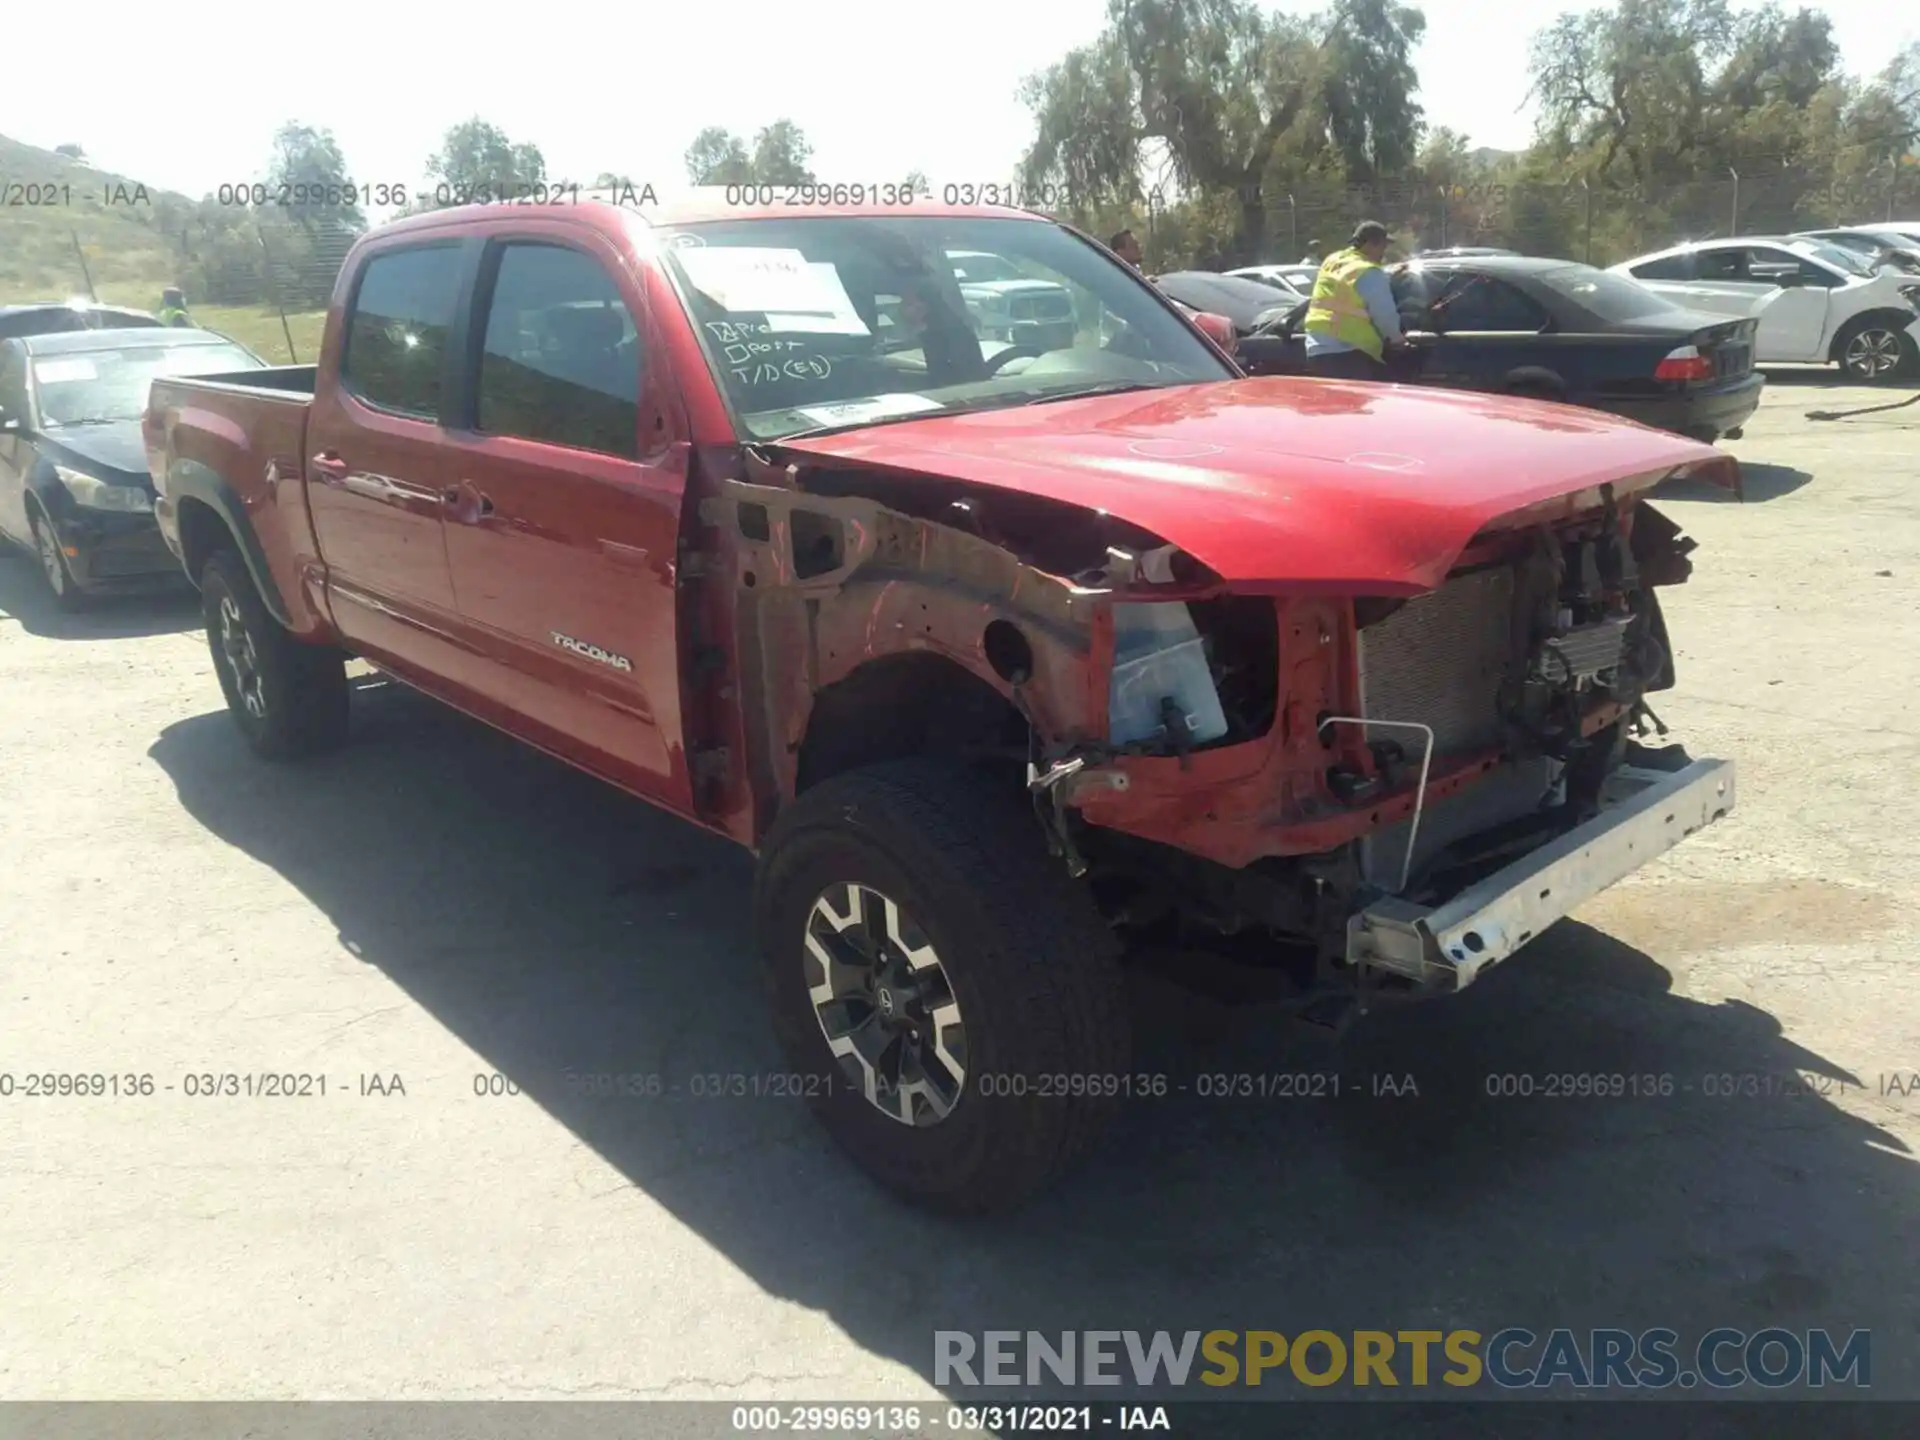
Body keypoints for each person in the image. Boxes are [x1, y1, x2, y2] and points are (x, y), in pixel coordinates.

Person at [1301, 221, 1406, 381]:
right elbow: (1385, 316)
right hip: (1349, 355)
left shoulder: (1333, 260)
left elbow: (1348, 286)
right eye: (1383, 247)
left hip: (1316, 351)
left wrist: (1384, 275)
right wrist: (1397, 340)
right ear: (1371, 245)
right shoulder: (1368, 272)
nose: (1383, 253)